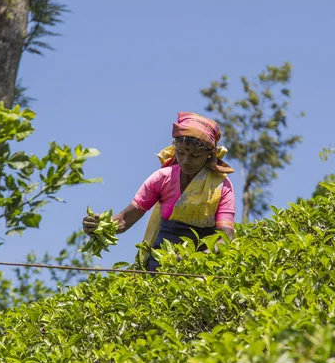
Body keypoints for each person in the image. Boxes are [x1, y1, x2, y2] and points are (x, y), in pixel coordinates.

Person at [82, 112, 235, 271]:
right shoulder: (162, 179)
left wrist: (195, 260)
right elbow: (125, 219)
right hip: (161, 263)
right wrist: (100, 226)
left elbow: (226, 236)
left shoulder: (221, 187)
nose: (186, 161)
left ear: (209, 154)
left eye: (195, 156)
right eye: (181, 152)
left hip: (202, 269)